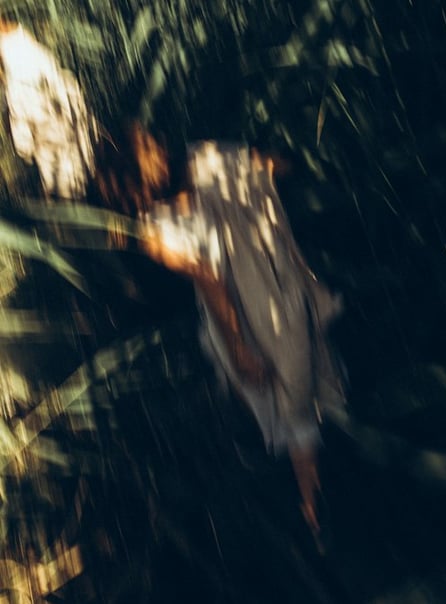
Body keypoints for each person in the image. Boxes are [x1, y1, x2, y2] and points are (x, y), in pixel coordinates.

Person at [0, 19, 346, 539]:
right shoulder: (190, 185)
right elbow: (266, 174)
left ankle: (310, 504)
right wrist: (310, 169)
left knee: (288, 391)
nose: (162, 147)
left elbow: (213, 269)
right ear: (146, 172)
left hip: (258, 297)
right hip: (270, 287)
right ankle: (315, 490)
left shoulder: (169, 212)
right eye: (154, 150)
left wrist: (237, 343)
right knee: (297, 369)